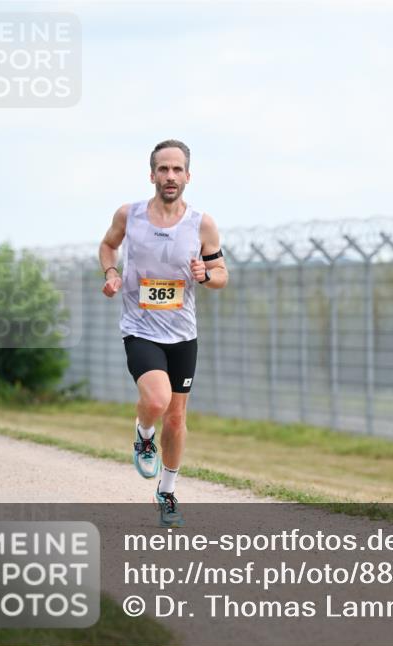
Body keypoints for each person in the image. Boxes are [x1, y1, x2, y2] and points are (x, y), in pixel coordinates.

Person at [98, 139, 228, 527]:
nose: (169, 176)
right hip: (140, 328)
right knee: (156, 400)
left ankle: (166, 491)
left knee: (176, 417)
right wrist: (111, 273)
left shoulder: (202, 223)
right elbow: (107, 245)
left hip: (182, 334)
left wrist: (207, 275)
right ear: (152, 174)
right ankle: (142, 433)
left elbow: (221, 276)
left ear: (188, 175)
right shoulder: (130, 215)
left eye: (177, 169)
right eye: (163, 169)